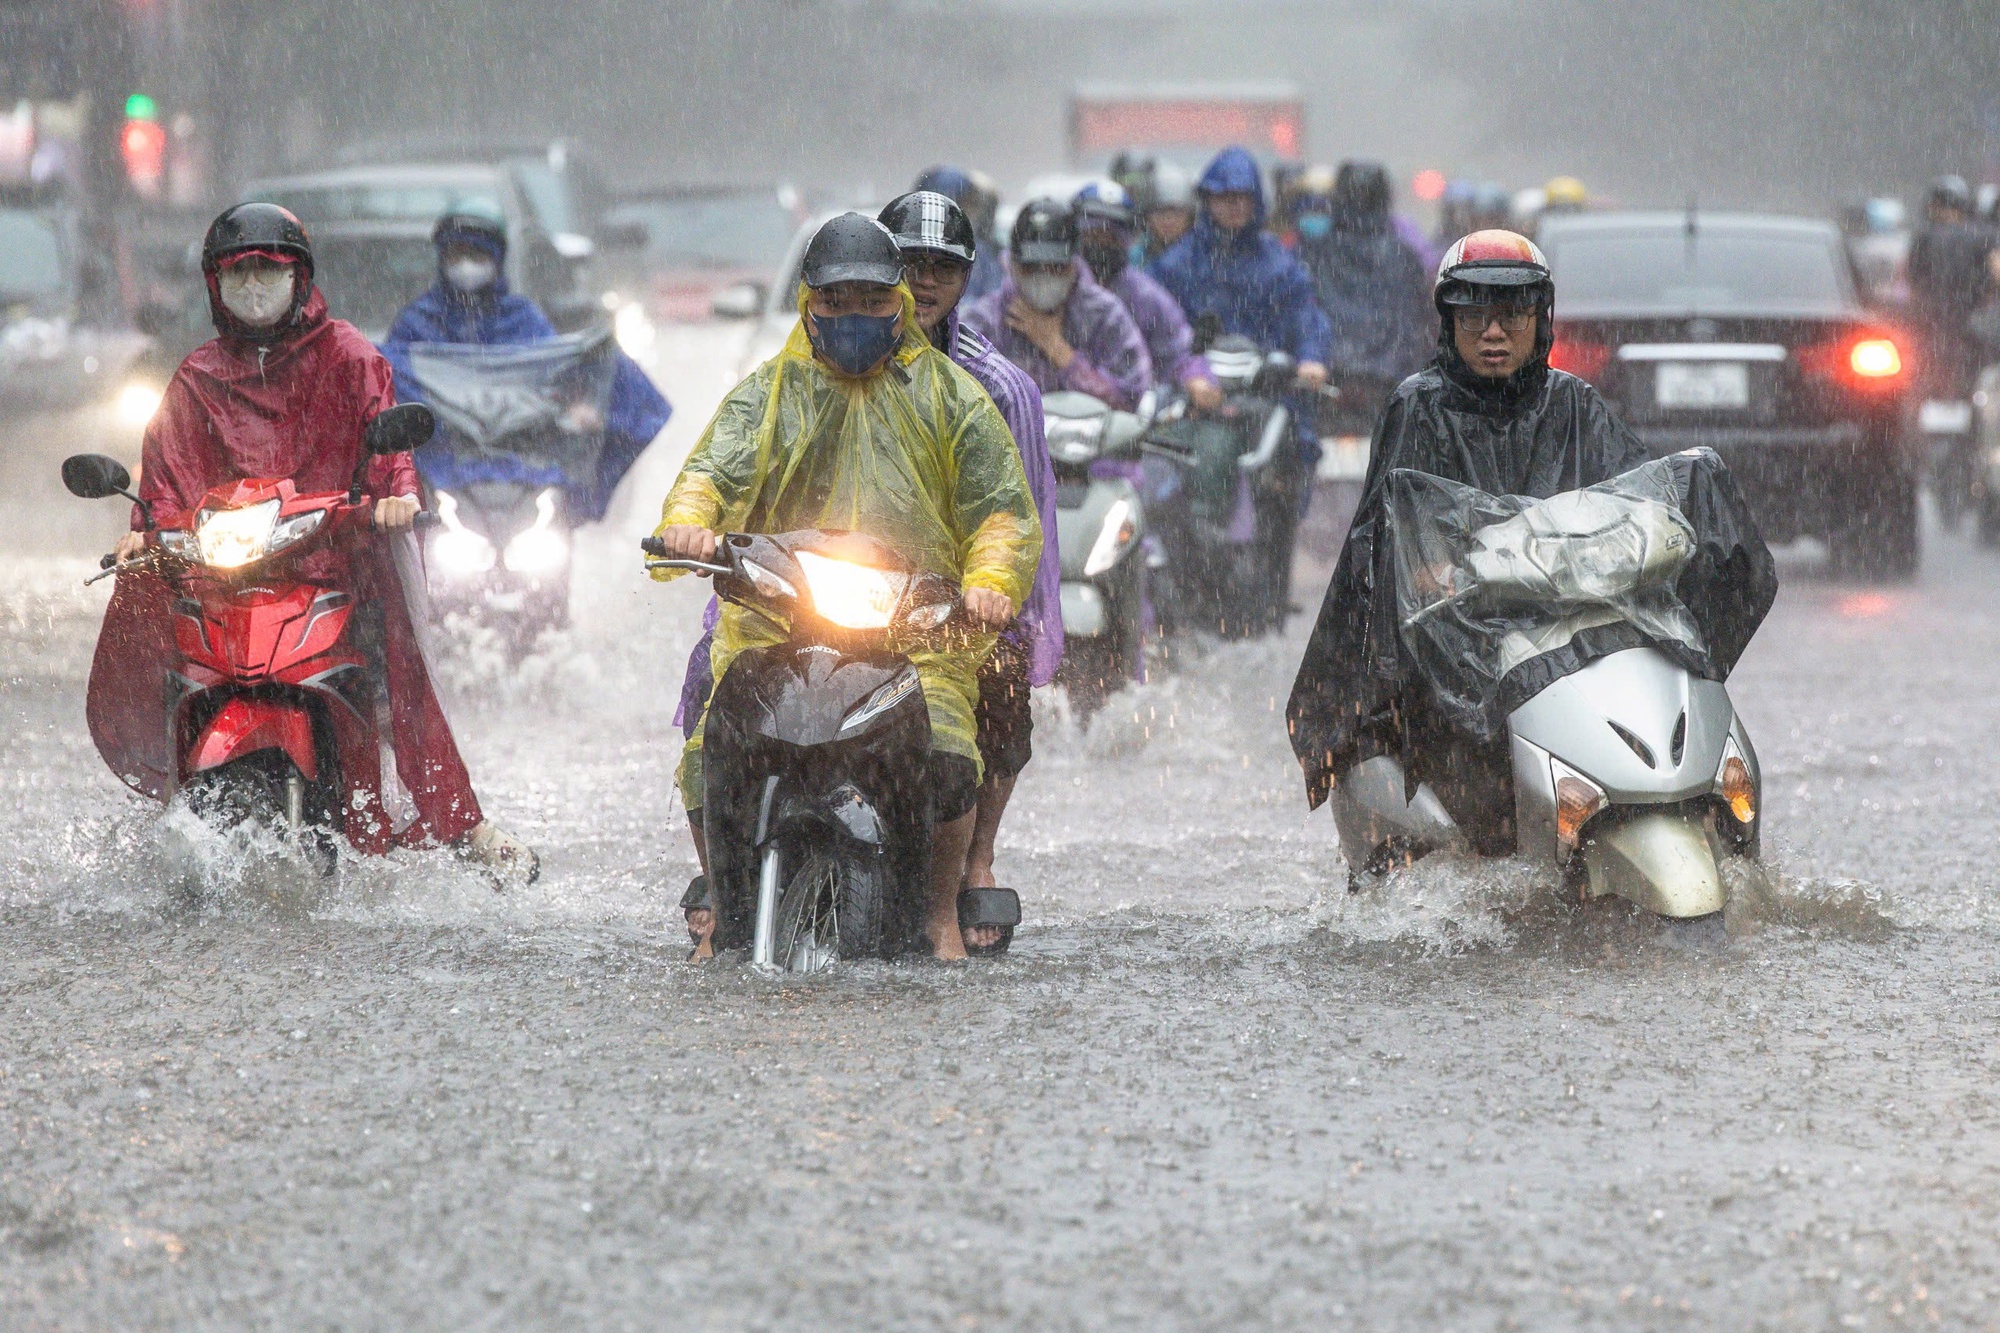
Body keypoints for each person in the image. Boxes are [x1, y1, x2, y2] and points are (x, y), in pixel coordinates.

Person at [1284, 230, 1776, 848]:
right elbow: (1389, 539)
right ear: (1448, 321)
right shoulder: (1418, 408)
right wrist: (1436, 571)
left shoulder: (1577, 404)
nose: (1494, 333)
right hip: (1463, 642)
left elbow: (1635, 508)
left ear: (1541, 321)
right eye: (1476, 315)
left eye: (1513, 314)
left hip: (1574, 626)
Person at [102, 202, 537, 879]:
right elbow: (165, 476)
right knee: (169, 651)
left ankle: (458, 822)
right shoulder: (195, 376)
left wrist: (396, 496)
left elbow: (386, 444)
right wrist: (142, 532)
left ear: (298, 278)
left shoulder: (352, 358)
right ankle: (171, 810)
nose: (253, 287)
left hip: (332, 566)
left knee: (400, 666)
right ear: (215, 285)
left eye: (266, 272)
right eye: (238, 273)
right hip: (225, 578)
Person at [652, 213, 1042, 962]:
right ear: (809, 304)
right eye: (837, 302)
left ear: (898, 300)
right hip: (780, 621)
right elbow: (710, 473)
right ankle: (722, 903)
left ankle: (937, 915)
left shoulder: (954, 398)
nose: (854, 316)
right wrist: (689, 524)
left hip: (914, 628)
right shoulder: (766, 394)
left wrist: (990, 580)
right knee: (711, 747)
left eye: (871, 299)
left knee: (951, 747)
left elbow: (999, 511)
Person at [878, 189, 1063, 920]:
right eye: (909, 265)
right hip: (837, 582)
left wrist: (1001, 598)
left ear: (967, 280)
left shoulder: (998, 388)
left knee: (1003, 674)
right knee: (718, 668)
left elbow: (1017, 520)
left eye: (942, 270)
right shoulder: (821, 362)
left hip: (952, 596)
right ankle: (729, 873)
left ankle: (977, 853)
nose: (924, 282)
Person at [379, 200, 671, 525]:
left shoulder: (524, 318)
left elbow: (557, 376)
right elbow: (386, 387)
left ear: (497, 259)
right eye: (456, 254)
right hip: (443, 467)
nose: (466, 265)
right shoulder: (418, 323)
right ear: (442, 258)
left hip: (523, 469)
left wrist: (583, 405)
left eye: (476, 255)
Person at [961, 197, 1152, 411]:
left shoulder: (1104, 314)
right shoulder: (984, 320)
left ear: (1074, 264)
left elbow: (1129, 398)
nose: (1044, 277)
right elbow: (958, 397)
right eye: (1031, 267)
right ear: (1011, 264)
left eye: (1056, 267)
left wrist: (1059, 350)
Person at [1073, 181, 1220, 409]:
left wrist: (1198, 379)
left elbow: (1179, 351)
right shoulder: (1056, 289)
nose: (1102, 244)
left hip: (1126, 416)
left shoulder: (1145, 296)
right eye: (1093, 234)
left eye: (1111, 236)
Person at [1294, 162, 1435, 390]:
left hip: (1329, 377)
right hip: (1386, 380)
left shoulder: (1315, 250)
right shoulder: (1403, 254)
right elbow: (1416, 323)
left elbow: (1304, 313)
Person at [1907, 174, 1994, 404]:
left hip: (1930, 324)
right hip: (1968, 324)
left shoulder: (1923, 236)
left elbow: (1911, 278)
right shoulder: (1982, 237)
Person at [914, 165, 1004, 302]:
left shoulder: (980, 250)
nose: (970, 212)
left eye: (970, 204)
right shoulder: (909, 249)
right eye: (963, 203)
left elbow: (995, 297)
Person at [1137, 159, 1197, 266]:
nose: (1168, 220)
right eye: (1160, 212)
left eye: (1177, 213)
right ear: (1147, 217)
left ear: (1190, 217)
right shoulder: (1135, 258)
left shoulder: (1203, 255)